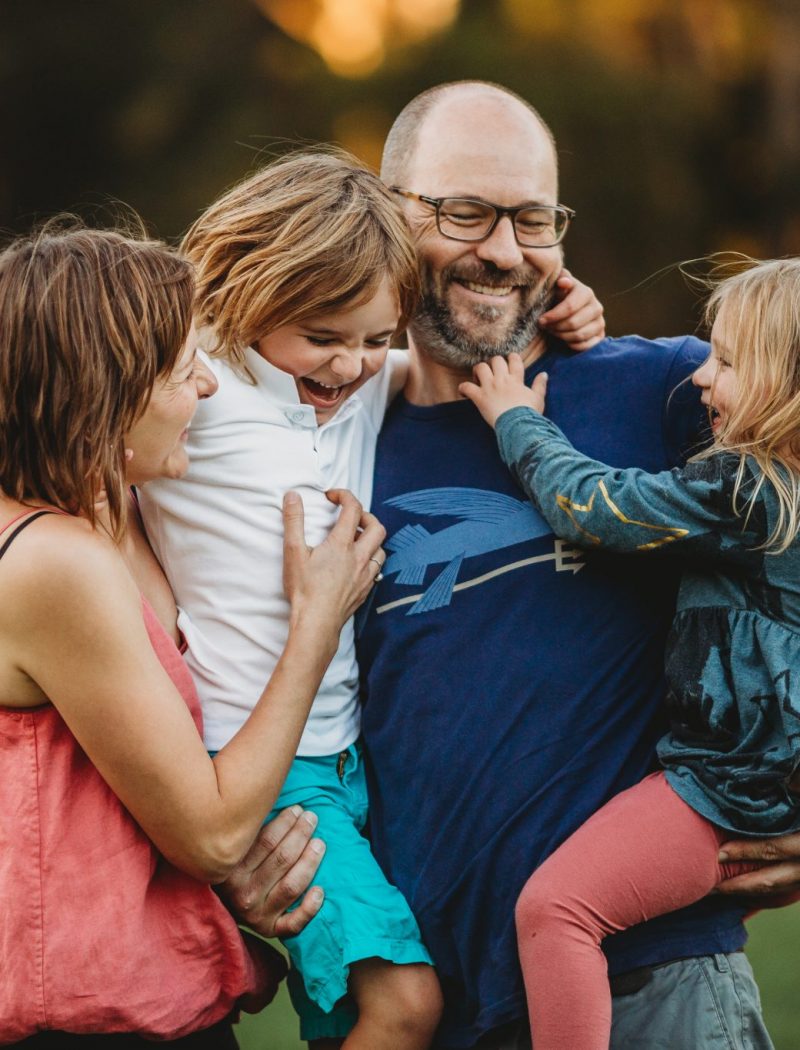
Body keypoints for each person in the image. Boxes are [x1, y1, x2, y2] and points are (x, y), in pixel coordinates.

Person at [354, 80, 792, 1050]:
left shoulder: (666, 394)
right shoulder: (331, 438)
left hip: (659, 993)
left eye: (530, 218)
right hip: (433, 1012)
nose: (503, 250)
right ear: (387, 217)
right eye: (465, 211)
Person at [139, 148, 602, 1049]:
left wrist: (567, 302)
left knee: (350, 1015)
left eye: (372, 337)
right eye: (324, 336)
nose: (350, 364)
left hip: (351, 762)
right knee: (405, 1004)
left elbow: (438, 361)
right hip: (262, 769)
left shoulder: (355, 385)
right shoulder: (196, 388)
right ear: (247, 294)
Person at [0, 221, 383, 1047]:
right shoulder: (48, 562)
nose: (209, 386)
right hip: (86, 1021)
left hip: (158, 997)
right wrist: (314, 624)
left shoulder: (114, 516)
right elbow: (210, 832)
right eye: (182, 368)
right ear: (108, 387)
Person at [460, 254, 800, 1049]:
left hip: (720, 792)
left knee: (557, 910)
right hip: (755, 787)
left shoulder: (755, 494)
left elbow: (597, 508)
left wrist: (518, 420)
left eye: (728, 361)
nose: (703, 380)